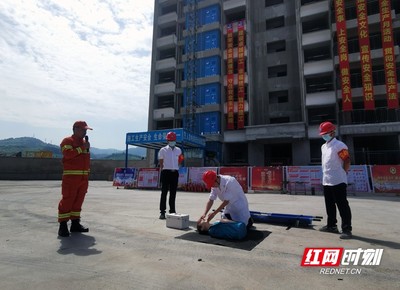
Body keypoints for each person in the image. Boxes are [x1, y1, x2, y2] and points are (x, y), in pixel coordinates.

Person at [57, 121, 92, 237]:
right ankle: (63, 226)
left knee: (78, 201)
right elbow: (68, 155)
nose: (85, 131)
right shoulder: (67, 141)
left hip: (83, 178)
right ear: (75, 129)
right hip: (71, 178)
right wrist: (82, 148)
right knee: (68, 200)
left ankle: (75, 224)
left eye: (86, 130)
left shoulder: (83, 143)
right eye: (83, 129)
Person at [319, 121, 352, 239]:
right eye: (322, 134)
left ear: (333, 132)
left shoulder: (340, 145)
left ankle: (347, 229)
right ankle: (331, 226)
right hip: (327, 180)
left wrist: (343, 172)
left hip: (338, 180)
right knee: (329, 205)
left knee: (342, 205)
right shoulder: (324, 146)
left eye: (326, 133)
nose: (324, 136)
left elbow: (347, 161)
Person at [158, 131, 184, 220]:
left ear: (175, 140)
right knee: (164, 193)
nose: (172, 141)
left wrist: (176, 167)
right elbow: (161, 162)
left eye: (173, 140)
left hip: (175, 173)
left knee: (173, 193)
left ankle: (172, 211)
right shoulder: (163, 150)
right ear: (168, 141)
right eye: (170, 140)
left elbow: (180, 160)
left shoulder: (178, 150)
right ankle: (162, 212)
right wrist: (163, 169)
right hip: (165, 172)